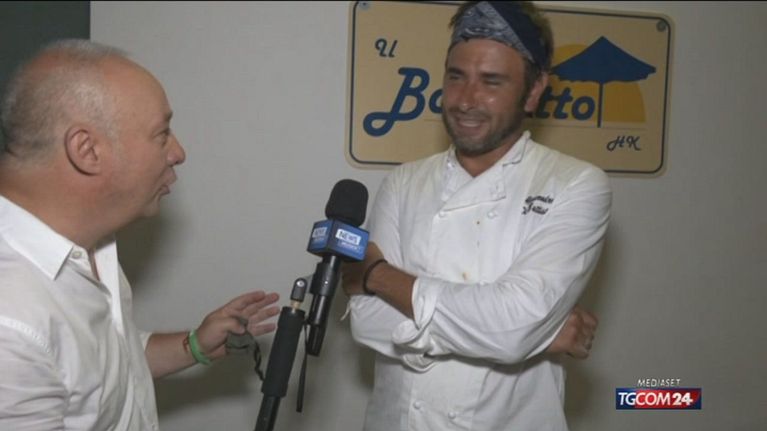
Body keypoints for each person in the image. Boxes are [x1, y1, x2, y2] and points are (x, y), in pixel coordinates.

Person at [342, 1, 611, 430]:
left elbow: (513, 329)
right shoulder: (404, 181)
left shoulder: (575, 183)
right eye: (456, 77)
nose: (466, 100)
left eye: (491, 81)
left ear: (534, 91)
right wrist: (536, 336)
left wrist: (376, 275)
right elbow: (367, 321)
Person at [0, 39, 281, 430]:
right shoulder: (11, 325)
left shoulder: (90, 242)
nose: (178, 152)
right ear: (87, 149)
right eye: (162, 133)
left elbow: (101, 366)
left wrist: (194, 345)